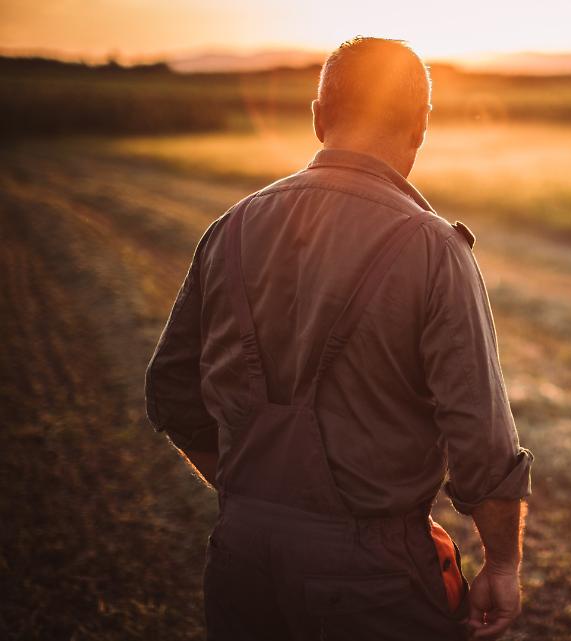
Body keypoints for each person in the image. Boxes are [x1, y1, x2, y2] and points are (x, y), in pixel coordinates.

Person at [144, 37, 533, 641]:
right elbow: (481, 438)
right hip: (372, 577)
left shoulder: (231, 227)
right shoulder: (433, 249)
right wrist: (503, 564)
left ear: (319, 118)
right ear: (420, 128)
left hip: (240, 555)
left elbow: (171, 390)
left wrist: (257, 499)